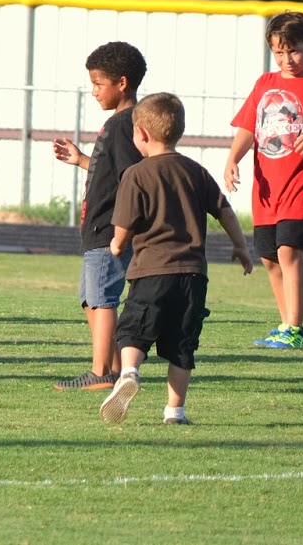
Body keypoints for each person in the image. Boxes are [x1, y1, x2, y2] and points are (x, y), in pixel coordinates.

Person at [99, 93, 252, 425]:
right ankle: (175, 411)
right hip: (193, 275)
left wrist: (117, 244)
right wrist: (241, 246)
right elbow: (223, 210)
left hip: (151, 271)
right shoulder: (195, 171)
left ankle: (129, 372)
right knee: (183, 345)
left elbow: (124, 224)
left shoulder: (137, 174)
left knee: (134, 329)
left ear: (141, 134)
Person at [223, 11, 303, 350]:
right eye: (279, 52)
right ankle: (285, 324)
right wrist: (233, 159)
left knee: (288, 251)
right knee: (269, 257)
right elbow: (248, 128)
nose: (287, 59)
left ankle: (295, 327)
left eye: (294, 50)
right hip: (268, 190)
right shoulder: (265, 83)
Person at [51, 41, 146, 390]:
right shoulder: (122, 123)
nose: (93, 92)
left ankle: (101, 371)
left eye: (98, 83)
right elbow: (112, 173)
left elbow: (131, 179)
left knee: (102, 299)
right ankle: (117, 369)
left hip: (109, 229)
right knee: (90, 299)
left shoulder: (123, 124)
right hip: (98, 230)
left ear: (122, 83)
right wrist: (81, 160)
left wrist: (122, 230)